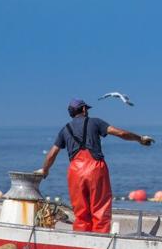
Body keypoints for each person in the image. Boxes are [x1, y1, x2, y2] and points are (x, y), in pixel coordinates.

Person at [39, 98, 154, 233]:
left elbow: (51, 154)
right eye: (86, 108)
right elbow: (120, 133)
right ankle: (100, 242)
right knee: (100, 210)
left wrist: (45, 171)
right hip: (95, 169)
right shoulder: (95, 122)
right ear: (83, 109)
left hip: (75, 172)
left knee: (81, 213)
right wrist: (139, 139)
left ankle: (81, 242)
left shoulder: (65, 130)